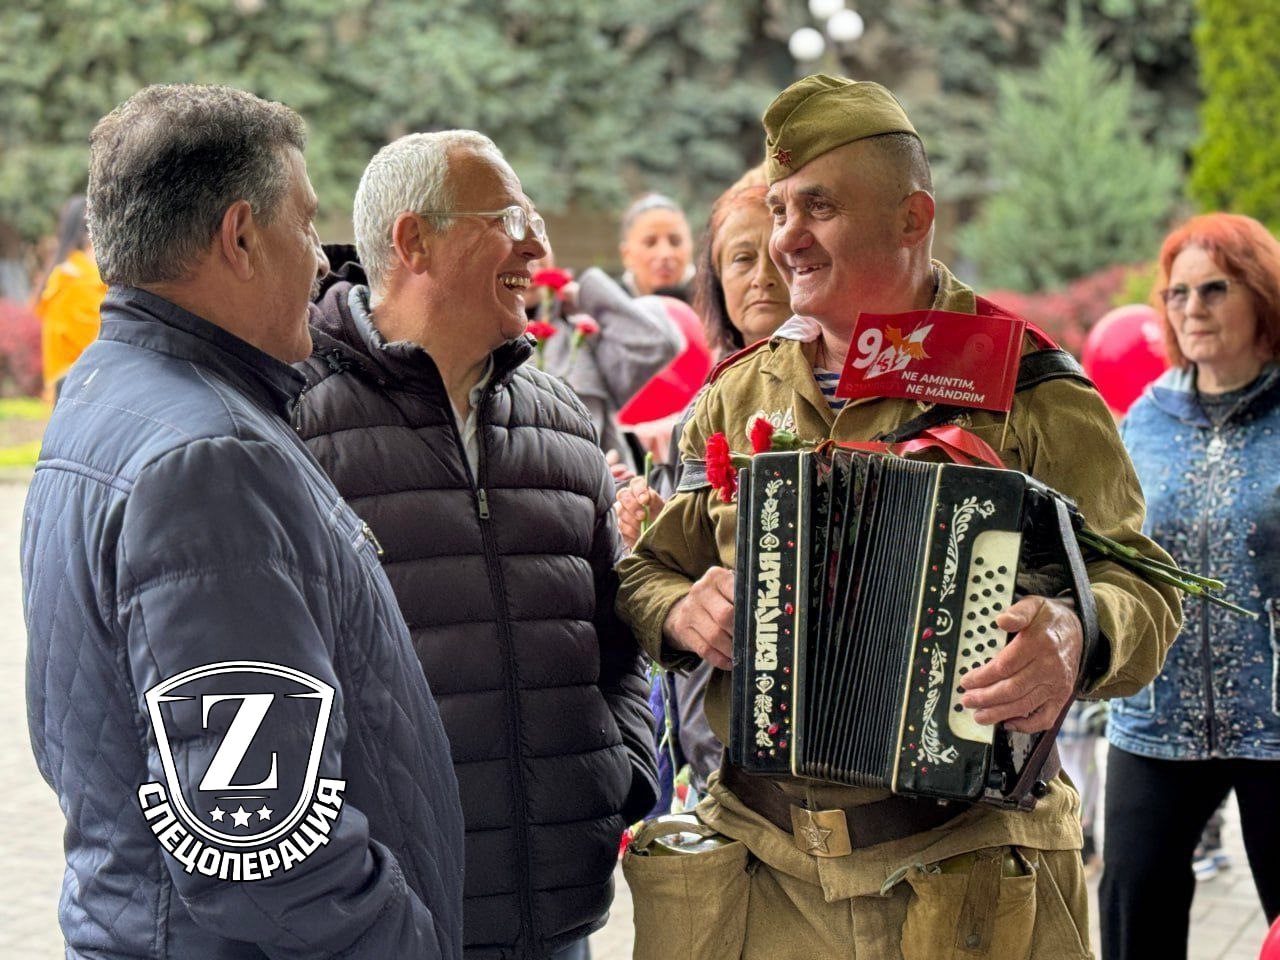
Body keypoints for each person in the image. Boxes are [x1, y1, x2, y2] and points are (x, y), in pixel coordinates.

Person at [616, 74, 1182, 959]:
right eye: (778, 209)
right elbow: (650, 570)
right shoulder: (740, 391)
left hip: (968, 876)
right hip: (764, 877)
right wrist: (676, 612)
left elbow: (1143, 581)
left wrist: (1078, 634)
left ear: (913, 219)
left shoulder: (1027, 387)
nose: (786, 240)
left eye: (819, 208)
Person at [21, 85, 464, 959]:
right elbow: (260, 851)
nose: (325, 263)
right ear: (240, 237)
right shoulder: (209, 460)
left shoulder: (111, 395)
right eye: (305, 225)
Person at [292, 130, 658, 960]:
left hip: (558, 923)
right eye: (507, 217)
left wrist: (621, 775)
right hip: (384, 926)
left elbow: (616, 649)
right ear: (413, 240)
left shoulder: (566, 423)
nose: (538, 245)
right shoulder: (290, 424)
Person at [1101, 212, 1280, 960]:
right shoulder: (1145, 420)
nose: (1192, 309)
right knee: (1132, 904)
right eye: (1177, 295)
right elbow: (1113, 545)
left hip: (1276, 720)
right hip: (1155, 712)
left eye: (1214, 289)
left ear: (1262, 297)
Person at [616, 166, 792, 808]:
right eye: (741, 258)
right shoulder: (711, 403)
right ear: (716, 284)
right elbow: (665, 568)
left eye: (776, 252)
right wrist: (658, 530)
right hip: (721, 704)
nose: (764, 275)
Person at [531, 246, 685, 474]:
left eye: (537, 234)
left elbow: (659, 342)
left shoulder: (580, 337)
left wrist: (585, 295)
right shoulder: (475, 347)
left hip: (606, 497)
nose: (530, 255)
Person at [34, 195, 106, 402]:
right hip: (83, 398)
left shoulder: (68, 277)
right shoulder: (76, 282)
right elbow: (102, 348)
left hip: (72, 398)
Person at [618, 192, 694, 299]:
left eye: (675, 242)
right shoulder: (606, 308)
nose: (665, 254)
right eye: (650, 243)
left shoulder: (713, 302)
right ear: (626, 254)